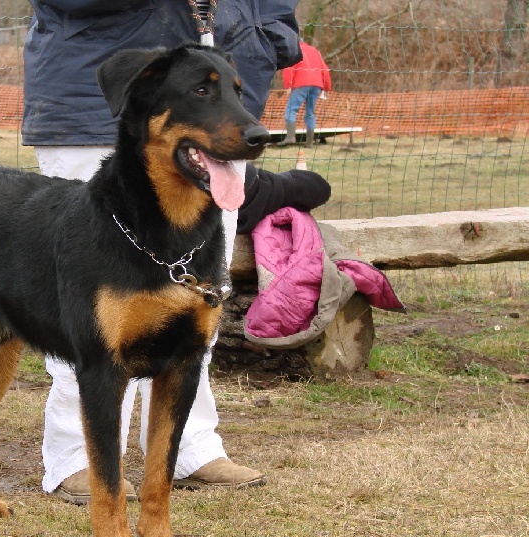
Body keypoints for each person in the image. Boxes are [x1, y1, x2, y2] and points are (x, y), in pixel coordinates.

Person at [22, 0, 326, 505]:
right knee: (90, 310)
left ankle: (189, 445)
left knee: (194, 297)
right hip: (94, 102)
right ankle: (77, 457)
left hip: (218, 113)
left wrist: (265, 35)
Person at [277, 39, 332, 148]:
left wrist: (288, 84)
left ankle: (290, 137)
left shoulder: (294, 50)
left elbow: (288, 68)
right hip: (317, 84)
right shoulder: (314, 51)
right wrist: (326, 87)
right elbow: (325, 69)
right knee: (310, 113)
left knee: (291, 109)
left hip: (301, 83)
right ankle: (310, 142)